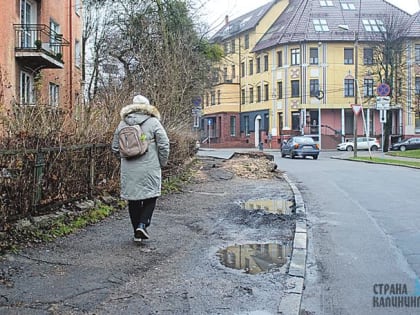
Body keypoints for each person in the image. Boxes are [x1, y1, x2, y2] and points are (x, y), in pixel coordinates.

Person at [112, 95, 170, 243]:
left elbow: (115, 147)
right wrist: (161, 162)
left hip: (129, 167)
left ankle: (136, 231)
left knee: (133, 199)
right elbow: (164, 144)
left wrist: (125, 158)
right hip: (150, 166)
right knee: (152, 195)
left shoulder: (122, 124)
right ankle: (143, 224)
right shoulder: (153, 122)